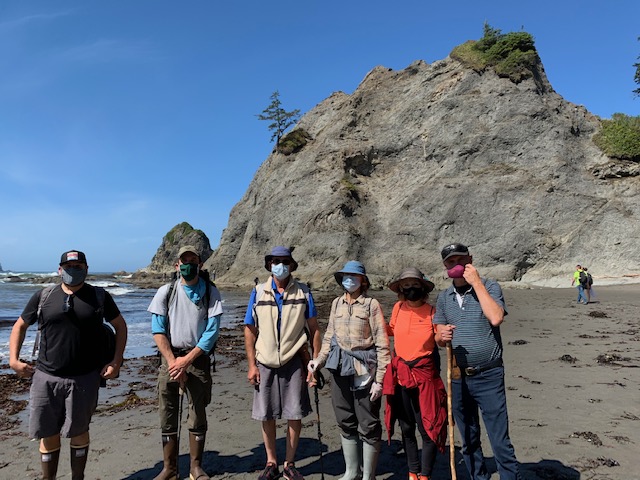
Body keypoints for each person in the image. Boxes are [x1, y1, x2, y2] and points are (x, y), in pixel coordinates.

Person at [9, 250, 127, 480]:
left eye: (78, 265)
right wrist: (14, 360)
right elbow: (20, 326)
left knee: (79, 432)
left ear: (86, 268)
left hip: (85, 378)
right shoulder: (43, 296)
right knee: (48, 433)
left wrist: (116, 361)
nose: (73, 269)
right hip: (45, 376)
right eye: (69, 265)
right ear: (60, 269)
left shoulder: (100, 297)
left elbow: (120, 327)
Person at [433, 243, 521, 480]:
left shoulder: (490, 286)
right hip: (458, 377)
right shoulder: (444, 298)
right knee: (468, 438)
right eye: (451, 262)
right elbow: (438, 335)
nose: (456, 265)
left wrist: (477, 283)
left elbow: (495, 317)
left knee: (499, 438)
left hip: (489, 375)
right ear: (445, 266)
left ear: (470, 260)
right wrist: (441, 337)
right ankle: (477, 477)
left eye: (460, 260)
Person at [308, 261, 390, 480]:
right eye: (346, 276)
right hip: (339, 367)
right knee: (345, 419)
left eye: (354, 276)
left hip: (366, 369)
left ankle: (368, 476)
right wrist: (318, 361)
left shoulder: (371, 305)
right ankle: (351, 472)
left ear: (363, 280)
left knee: (368, 422)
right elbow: (329, 337)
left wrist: (380, 381)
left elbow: (382, 344)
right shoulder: (336, 303)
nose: (349, 280)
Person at [244, 246, 321, 480]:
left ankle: (289, 463)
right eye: (276, 261)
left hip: (293, 360)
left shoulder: (304, 293)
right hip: (264, 360)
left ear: (291, 264)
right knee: (266, 414)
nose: (280, 265)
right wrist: (251, 365)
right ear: (269, 265)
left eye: (285, 261)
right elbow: (249, 330)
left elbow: (314, 329)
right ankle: (271, 462)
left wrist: (315, 365)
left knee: (294, 413)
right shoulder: (258, 292)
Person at [148, 245, 223, 480]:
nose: (188, 265)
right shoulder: (165, 291)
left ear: (200, 264)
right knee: (167, 412)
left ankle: (195, 467)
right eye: (184, 261)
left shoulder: (211, 292)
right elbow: (158, 329)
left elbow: (211, 332)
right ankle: (169, 469)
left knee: (197, 412)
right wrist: (174, 362)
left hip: (197, 359)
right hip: (169, 359)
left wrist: (187, 361)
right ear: (176, 265)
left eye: (193, 260)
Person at [383, 267, 447, 480]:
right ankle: (412, 472)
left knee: (427, 426)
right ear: (401, 289)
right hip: (401, 377)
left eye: (415, 285)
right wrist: (373, 323)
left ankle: (425, 474)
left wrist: (444, 336)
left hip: (425, 378)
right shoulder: (398, 308)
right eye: (406, 286)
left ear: (423, 288)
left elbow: (439, 340)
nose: (411, 289)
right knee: (406, 427)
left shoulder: (432, 312)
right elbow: (391, 329)